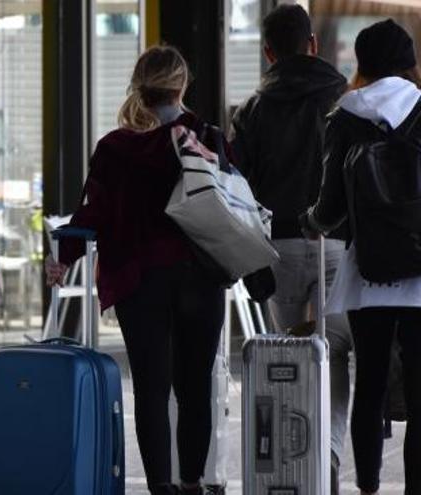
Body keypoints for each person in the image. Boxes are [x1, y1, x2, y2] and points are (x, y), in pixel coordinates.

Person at [45, 46, 225, 495]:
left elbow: (95, 212)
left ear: (140, 88)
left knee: (150, 388)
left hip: (138, 280)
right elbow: (232, 201)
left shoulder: (114, 149)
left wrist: (63, 256)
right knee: (194, 387)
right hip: (199, 275)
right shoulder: (204, 136)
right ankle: (192, 483)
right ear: (182, 85)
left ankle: (161, 485)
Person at [228, 5, 352, 491]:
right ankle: (330, 452)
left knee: (291, 354)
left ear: (268, 52)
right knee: (334, 353)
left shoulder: (252, 110)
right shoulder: (345, 99)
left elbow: (241, 186)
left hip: (276, 246)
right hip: (335, 244)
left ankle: (292, 458)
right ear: (314, 45)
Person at [300, 19, 421, 495]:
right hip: (420, 269)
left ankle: (368, 485)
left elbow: (329, 208)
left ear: (363, 64)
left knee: (369, 381)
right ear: (409, 62)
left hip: (366, 272)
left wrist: (310, 222)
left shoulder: (345, 115)